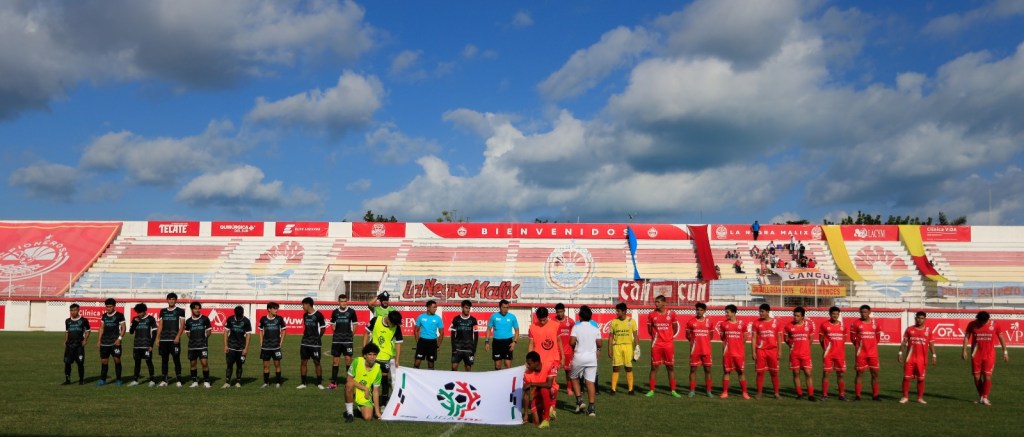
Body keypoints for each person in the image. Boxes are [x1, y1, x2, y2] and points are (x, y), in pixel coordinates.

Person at [962, 311, 1009, 406]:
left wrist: (1005, 351)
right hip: (976, 354)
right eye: (978, 320)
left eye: (982, 321)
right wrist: (964, 350)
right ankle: (981, 397)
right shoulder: (972, 324)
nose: (980, 323)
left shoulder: (995, 324)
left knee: (987, 376)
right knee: (976, 377)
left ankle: (985, 397)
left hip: (989, 355)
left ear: (987, 320)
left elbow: (1001, 337)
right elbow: (967, 337)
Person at [364, 310, 403, 404]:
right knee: (372, 378)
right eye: (393, 323)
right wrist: (364, 350)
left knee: (384, 380)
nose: (394, 325)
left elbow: (398, 344)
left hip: (386, 357)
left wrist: (397, 360)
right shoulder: (376, 320)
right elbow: (366, 333)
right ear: (389, 319)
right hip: (373, 356)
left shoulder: (396, 327)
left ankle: (384, 403)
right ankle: (371, 401)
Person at [647, 295, 681, 398]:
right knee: (654, 367)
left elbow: (675, 328)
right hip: (656, 344)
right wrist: (656, 338)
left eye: (658, 302)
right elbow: (650, 330)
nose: (656, 304)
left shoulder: (671, 314)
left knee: (670, 367)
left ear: (663, 303)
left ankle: (673, 390)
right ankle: (651, 390)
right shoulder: (651, 314)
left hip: (668, 344)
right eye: (655, 302)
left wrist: (668, 337)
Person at [570, 305, 601, 417]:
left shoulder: (576, 327)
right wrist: (597, 349)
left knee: (573, 377)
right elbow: (600, 343)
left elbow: (571, 342)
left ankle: (579, 400)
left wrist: (576, 345)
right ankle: (591, 409)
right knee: (590, 382)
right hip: (592, 358)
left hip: (579, 357)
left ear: (580, 316)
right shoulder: (595, 328)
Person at [899, 311, 936, 404]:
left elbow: (931, 344)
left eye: (922, 318)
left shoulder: (928, 331)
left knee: (921, 379)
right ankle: (905, 397)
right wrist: (900, 352)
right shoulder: (909, 329)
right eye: (918, 318)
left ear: (925, 319)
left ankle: (920, 398)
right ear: (915, 318)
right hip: (909, 358)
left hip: (922, 359)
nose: (920, 320)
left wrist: (934, 355)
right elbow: (904, 342)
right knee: (906, 378)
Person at [717, 304, 750, 399]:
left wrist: (738, 345)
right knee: (726, 372)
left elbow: (745, 337)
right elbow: (722, 337)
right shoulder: (723, 324)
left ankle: (744, 393)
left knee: (741, 372)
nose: (726, 314)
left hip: (739, 353)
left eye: (727, 312)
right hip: (727, 353)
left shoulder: (742, 324)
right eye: (725, 312)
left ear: (734, 312)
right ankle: (725, 392)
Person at [849, 305, 882, 401]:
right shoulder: (855, 323)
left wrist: (872, 346)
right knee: (859, 373)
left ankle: (875, 395)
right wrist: (859, 346)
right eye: (862, 312)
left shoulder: (876, 323)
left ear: (869, 312)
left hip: (873, 354)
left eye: (865, 312)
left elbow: (878, 338)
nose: (863, 314)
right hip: (861, 353)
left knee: (875, 374)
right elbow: (852, 338)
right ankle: (858, 395)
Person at [345, 343, 383, 423]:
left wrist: (377, 412)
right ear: (365, 355)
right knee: (349, 385)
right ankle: (350, 413)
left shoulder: (378, 370)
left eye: (374, 354)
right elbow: (349, 379)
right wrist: (365, 388)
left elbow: (376, 391)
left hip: (365, 394)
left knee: (368, 417)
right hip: (355, 389)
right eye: (370, 354)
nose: (372, 357)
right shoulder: (357, 361)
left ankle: (360, 409)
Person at [784, 306, 816, 401]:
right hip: (794, 354)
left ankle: (811, 395)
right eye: (794, 315)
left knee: (808, 373)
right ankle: (799, 394)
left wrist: (805, 347)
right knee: (796, 373)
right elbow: (786, 339)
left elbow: (811, 339)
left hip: (805, 354)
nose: (795, 317)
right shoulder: (789, 326)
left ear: (802, 317)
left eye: (798, 316)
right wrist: (792, 346)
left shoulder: (809, 325)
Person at [751, 303, 782, 399]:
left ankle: (776, 393)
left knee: (774, 373)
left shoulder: (776, 322)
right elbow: (754, 338)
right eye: (759, 312)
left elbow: (779, 338)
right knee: (760, 372)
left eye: (762, 311)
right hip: (760, 350)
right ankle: (759, 393)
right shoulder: (756, 323)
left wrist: (780, 351)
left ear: (768, 312)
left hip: (773, 351)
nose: (760, 313)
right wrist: (753, 351)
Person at [155, 292, 186, 387]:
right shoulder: (163, 311)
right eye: (170, 299)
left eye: (173, 299)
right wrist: (157, 338)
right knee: (164, 360)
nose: (171, 301)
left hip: (174, 340)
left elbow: (182, 325)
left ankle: (179, 380)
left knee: (176, 360)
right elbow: (160, 325)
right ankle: (164, 380)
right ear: (167, 300)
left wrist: (177, 336)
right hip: (164, 340)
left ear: (176, 300)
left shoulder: (180, 311)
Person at [608, 303, 638, 395]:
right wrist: (609, 349)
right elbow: (611, 336)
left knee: (628, 368)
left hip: (628, 346)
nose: (616, 312)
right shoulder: (614, 322)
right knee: (616, 368)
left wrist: (637, 347)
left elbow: (635, 336)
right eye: (616, 311)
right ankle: (613, 389)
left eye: (618, 311)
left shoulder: (632, 321)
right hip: (617, 347)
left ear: (624, 311)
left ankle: (631, 389)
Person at [329, 294, 358, 389]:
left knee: (348, 360)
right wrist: (336, 333)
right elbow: (332, 324)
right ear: (339, 302)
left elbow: (355, 324)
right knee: (335, 360)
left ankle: (349, 381)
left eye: (345, 301)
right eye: (341, 301)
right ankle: (334, 382)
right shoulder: (335, 312)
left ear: (347, 302)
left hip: (347, 340)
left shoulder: (351, 312)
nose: (343, 303)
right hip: (337, 340)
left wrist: (351, 335)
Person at [685, 302, 713, 398]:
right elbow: (688, 336)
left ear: (704, 311)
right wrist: (694, 343)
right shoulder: (690, 322)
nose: (699, 312)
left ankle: (708, 391)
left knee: (708, 370)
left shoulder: (709, 322)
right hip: (695, 351)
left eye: (701, 310)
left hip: (706, 350)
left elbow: (711, 336)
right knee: (693, 370)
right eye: (697, 310)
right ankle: (692, 390)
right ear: (695, 310)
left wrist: (704, 342)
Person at [523, 351, 558, 429]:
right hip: (538, 394)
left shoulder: (549, 365)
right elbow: (526, 395)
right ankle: (549, 410)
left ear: (536, 363)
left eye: (529, 364)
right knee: (536, 422)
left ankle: (546, 419)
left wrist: (532, 383)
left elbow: (549, 385)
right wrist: (525, 414)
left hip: (551, 391)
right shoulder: (527, 374)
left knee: (543, 389)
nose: (527, 366)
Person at [96, 298, 126, 386]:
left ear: (114, 306)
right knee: (104, 361)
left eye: (110, 306)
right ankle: (103, 380)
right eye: (107, 307)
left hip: (115, 343)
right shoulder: (104, 316)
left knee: (117, 360)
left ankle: (119, 379)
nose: (108, 308)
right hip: (104, 343)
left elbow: (124, 328)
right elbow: (101, 328)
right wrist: (99, 340)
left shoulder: (119, 315)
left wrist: (119, 339)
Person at [819, 306, 847, 401]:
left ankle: (841, 395)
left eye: (837, 314)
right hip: (828, 354)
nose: (835, 315)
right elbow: (821, 340)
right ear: (830, 314)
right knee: (826, 374)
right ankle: (824, 395)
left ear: (839, 315)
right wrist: (826, 349)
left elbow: (844, 339)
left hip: (840, 354)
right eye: (833, 314)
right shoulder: (824, 325)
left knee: (841, 375)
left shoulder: (843, 326)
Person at [297, 297, 326, 389]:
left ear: (308, 304)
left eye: (303, 305)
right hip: (305, 342)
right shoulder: (305, 315)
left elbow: (323, 328)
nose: (302, 307)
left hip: (315, 343)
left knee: (317, 362)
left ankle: (319, 383)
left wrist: (318, 338)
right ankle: (303, 383)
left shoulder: (318, 315)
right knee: (303, 362)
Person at [183, 302, 212, 388]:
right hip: (192, 346)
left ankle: (206, 381)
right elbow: (187, 332)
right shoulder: (188, 321)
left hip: (202, 345)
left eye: (199, 308)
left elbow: (209, 331)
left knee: (204, 363)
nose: (197, 310)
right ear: (192, 309)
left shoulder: (205, 319)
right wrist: (193, 339)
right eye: (195, 308)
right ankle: (195, 381)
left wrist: (204, 338)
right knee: (193, 364)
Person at [485, 299, 520, 370]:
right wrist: (487, 342)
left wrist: (514, 342)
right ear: (500, 307)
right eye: (504, 307)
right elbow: (488, 329)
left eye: (507, 307)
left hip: (508, 343)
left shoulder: (512, 317)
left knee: (508, 365)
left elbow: (517, 331)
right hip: (497, 343)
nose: (505, 309)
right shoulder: (494, 316)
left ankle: (508, 377)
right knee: (498, 365)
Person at [128, 303, 157, 387]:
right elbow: (131, 332)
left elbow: (154, 333)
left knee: (149, 362)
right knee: (137, 363)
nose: (139, 314)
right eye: (138, 312)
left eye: (140, 312)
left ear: (144, 311)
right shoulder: (135, 319)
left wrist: (151, 345)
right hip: (137, 345)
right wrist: (134, 323)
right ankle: (135, 380)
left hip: (146, 345)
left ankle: (152, 380)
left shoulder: (150, 319)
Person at [222, 305, 252, 388]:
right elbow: (226, 332)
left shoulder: (246, 321)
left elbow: (248, 335)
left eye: (240, 315)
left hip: (241, 347)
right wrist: (226, 345)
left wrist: (246, 348)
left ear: (243, 313)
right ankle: (227, 382)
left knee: (239, 365)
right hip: (231, 346)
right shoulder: (230, 319)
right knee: (229, 364)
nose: (239, 318)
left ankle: (238, 382)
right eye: (238, 316)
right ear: (234, 313)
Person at [259, 302, 287, 388]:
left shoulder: (279, 319)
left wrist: (281, 342)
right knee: (265, 366)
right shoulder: (263, 319)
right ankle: (266, 383)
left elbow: (284, 330)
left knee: (277, 365)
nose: (276, 310)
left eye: (277, 308)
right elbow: (260, 330)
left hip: (276, 347)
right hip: (265, 347)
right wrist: (261, 343)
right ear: (269, 309)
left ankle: (278, 382)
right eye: (274, 308)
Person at [63, 303, 91, 385]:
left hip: (79, 346)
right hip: (69, 346)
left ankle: (81, 380)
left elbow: (88, 331)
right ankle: (67, 380)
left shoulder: (84, 320)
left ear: (78, 310)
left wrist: (85, 340)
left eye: (75, 310)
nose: (73, 312)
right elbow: (67, 332)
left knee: (80, 363)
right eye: (71, 310)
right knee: (67, 363)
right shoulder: (67, 321)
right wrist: (65, 341)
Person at [449, 300, 479, 371]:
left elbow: (476, 336)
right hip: (457, 348)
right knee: (454, 367)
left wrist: (474, 349)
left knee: (468, 368)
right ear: (462, 307)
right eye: (466, 307)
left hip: (469, 348)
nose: (468, 310)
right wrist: (453, 348)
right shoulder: (456, 319)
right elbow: (452, 335)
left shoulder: (473, 320)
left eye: (469, 308)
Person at [413, 300, 444, 369]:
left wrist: (437, 346)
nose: (435, 309)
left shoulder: (438, 318)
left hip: (432, 342)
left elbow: (442, 333)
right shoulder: (421, 317)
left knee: (431, 364)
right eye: (434, 307)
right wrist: (418, 342)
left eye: (436, 307)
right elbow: (416, 330)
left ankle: (431, 376)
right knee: (417, 363)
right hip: (422, 341)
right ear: (428, 308)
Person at [554, 303, 575, 396]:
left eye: (561, 311)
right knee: (554, 371)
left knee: (568, 371)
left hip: (568, 351)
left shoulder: (570, 321)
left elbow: (574, 335)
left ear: (564, 311)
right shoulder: (553, 322)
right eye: (558, 312)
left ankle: (569, 388)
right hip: (556, 351)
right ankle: (553, 387)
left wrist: (574, 348)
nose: (559, 314)